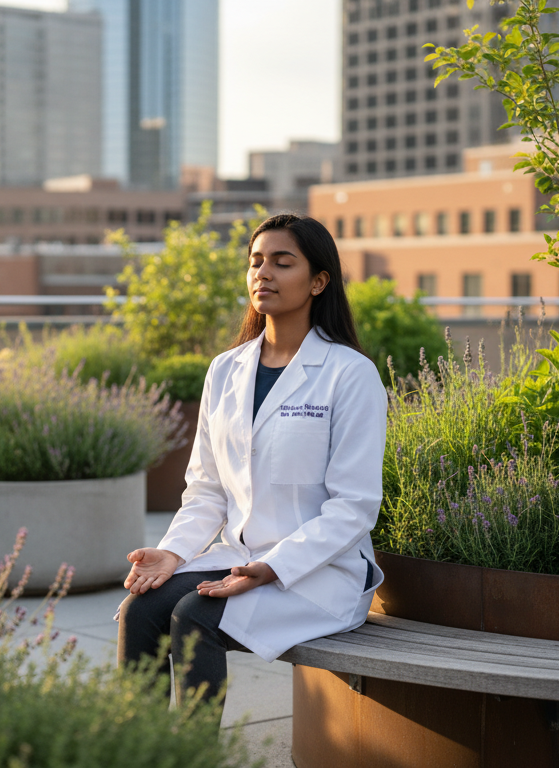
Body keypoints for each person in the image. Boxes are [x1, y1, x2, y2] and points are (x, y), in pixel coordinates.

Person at [116, 212, 388, 710]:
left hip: (318, 574)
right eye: (256, 262)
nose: (263, 273)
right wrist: (173, 554)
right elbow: (206, 490)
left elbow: (354, 507)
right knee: (141, 610)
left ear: (318, 282)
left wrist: (272, 566)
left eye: (282, 263)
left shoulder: (350, 374)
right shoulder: (226, 370)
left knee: (193, 616)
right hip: (238, 558)